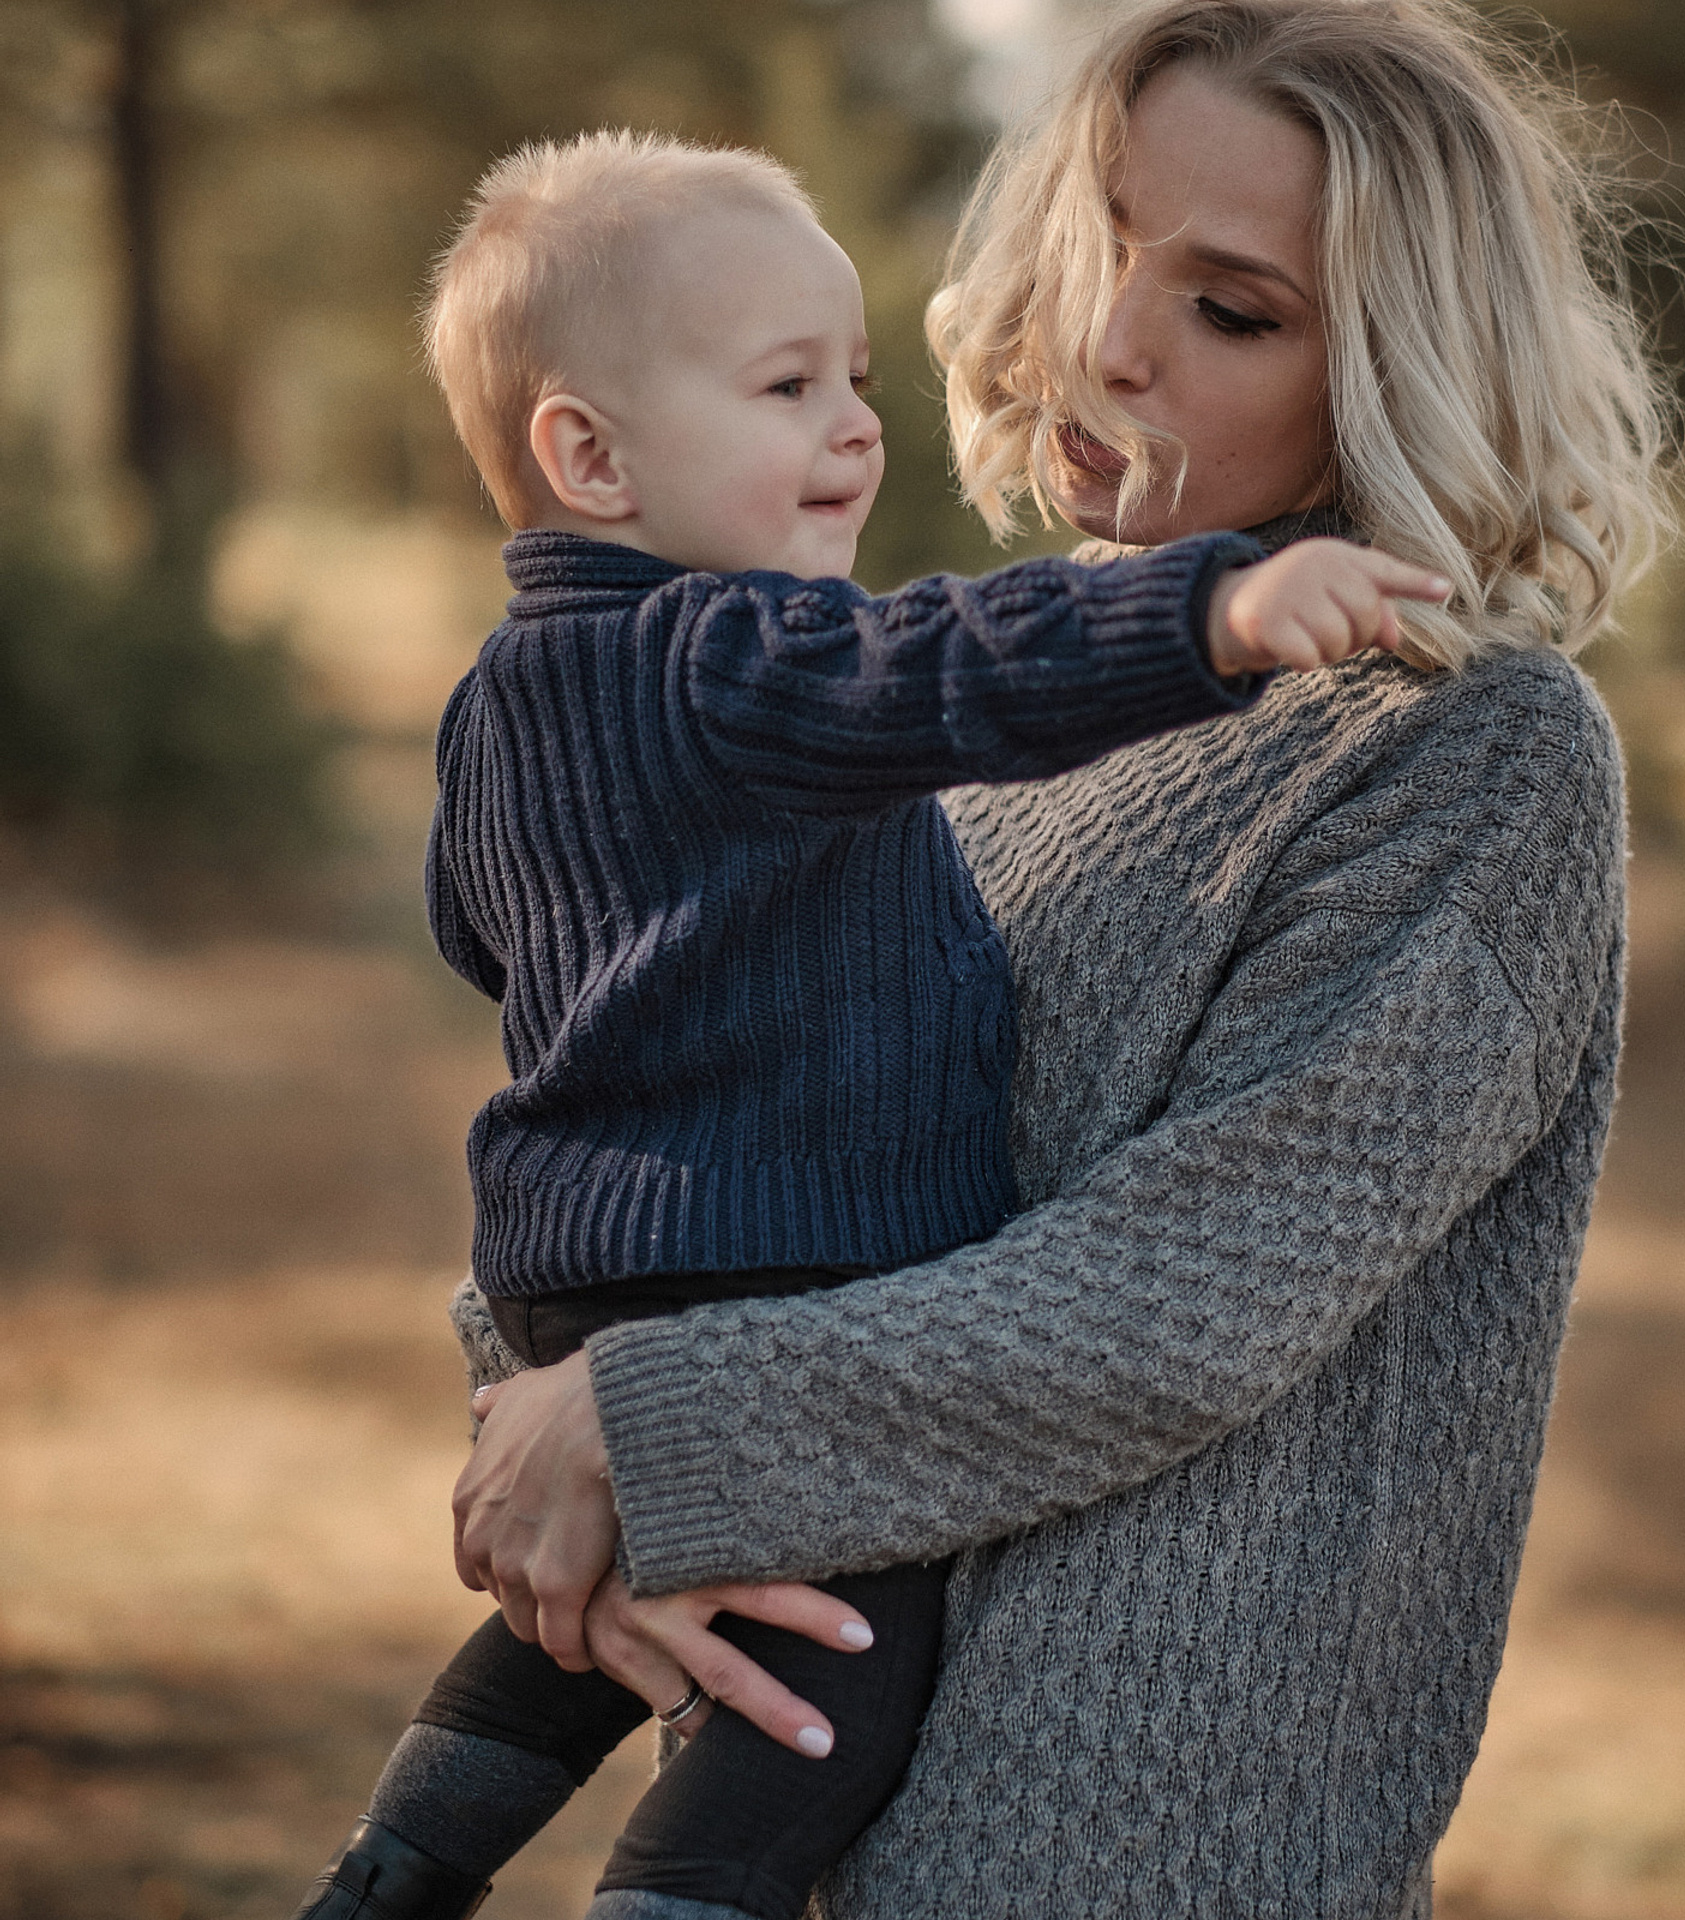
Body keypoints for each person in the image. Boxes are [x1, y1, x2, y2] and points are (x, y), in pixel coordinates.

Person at [443, 2, 1675, 1916]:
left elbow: (1171, 1300)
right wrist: (537, 1409)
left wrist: (643, 1425)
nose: (1111, 342)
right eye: (1113, 238)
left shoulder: (1469, 752)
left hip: (1125, 1849)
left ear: (1392, 366)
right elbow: (652, 1075)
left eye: (1236, 311)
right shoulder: (973, 700)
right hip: (801, 1808)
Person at [292, 126, 1447, 1920]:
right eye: (786, 386)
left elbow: (492, 942)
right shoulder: (734, 658)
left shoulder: (492, 707)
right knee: (828, 1669)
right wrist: (1208, 612)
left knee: (575, 1648)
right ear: (588, 455)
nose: (858, 425)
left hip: (573, 1281)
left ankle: (392, 1871)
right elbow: (953, 667)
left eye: (850, 373)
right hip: (759, 1271)